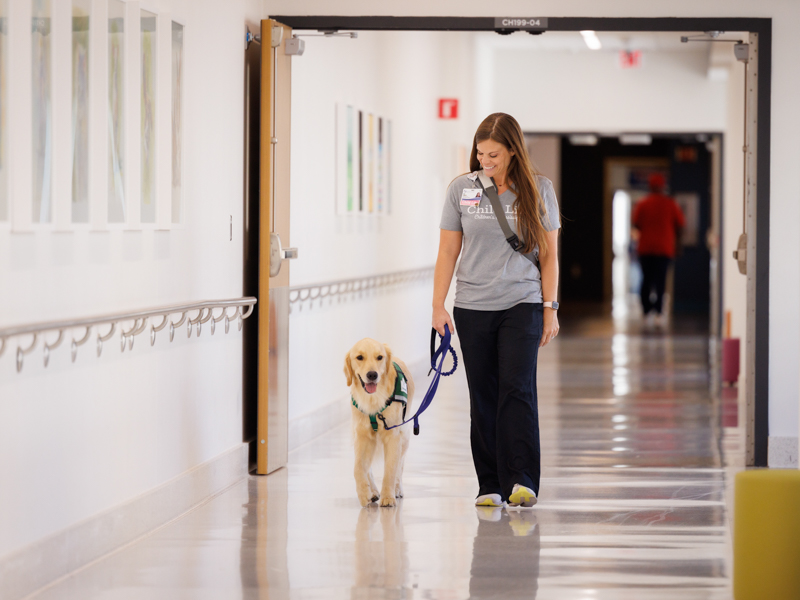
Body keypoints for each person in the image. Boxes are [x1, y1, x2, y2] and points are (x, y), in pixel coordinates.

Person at [432, 113, 561, 509]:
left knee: (517, 390)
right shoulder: (462, 189)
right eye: (480, 152)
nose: (484, 160)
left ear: (512, 151)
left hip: (521, 302)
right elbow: (448, 250)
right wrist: (437, 304)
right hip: (472, 305)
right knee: (483, 394)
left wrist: (550, 307)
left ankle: (522, 480)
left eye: (493, 154)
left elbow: (550, 255)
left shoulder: (539, 190)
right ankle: (489, 483)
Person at [632, 173, 685, 329]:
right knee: (660, 281)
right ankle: (659, 312)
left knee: (646, 280)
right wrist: (678, 246)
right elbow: (680, 225)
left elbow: (636, 224)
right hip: (664, 249)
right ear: (662, 187)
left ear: (650, 187)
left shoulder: (643, 204)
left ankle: (646, 310)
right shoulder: (670, 204)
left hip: (646, 249)